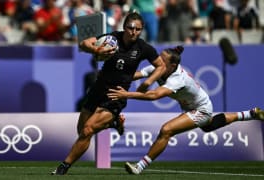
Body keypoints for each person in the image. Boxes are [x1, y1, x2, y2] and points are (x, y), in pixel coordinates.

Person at [107, 45, 264, 175]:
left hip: (201, 108)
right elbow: (138, 74)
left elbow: (154, 95)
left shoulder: (177, 79)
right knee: (208, 126)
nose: (157, 61)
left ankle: (139, 166)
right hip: (192, 105)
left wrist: (126, 94)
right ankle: (249, 114)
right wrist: (114, 77)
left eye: (162, 59)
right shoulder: (160, 66)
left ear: (173, 66)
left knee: (166, 130)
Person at [51, 12, 166, 175]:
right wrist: (95, 48)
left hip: (116, 94)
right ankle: (113, 122)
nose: (133, 32)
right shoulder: (112, 38)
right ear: (124, 27)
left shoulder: (143, 48)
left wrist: (148, 82)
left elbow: (161, 66)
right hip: (98, 88)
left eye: (137, 29)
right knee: (81, 131)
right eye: (130, 28)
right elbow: (84, 43)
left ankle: (63, 167)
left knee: (88, 131)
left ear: (141, 30)